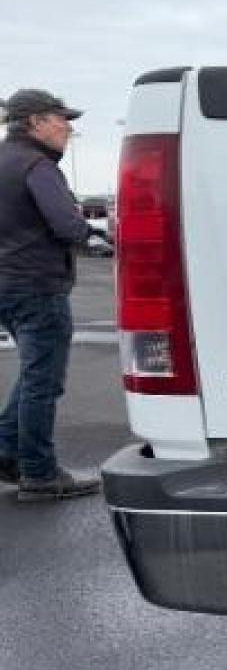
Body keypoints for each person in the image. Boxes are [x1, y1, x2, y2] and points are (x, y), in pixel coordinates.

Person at [0, 88, 101, 501]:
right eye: (61, 118)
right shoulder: (37, 165)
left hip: (5, 284)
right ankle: (40, 474)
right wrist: (92, 235)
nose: (68, 126)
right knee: (44, 382)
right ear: (34, 122)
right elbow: (66, 225)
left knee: (32, 375)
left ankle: (6, 451)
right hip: (37, 286)